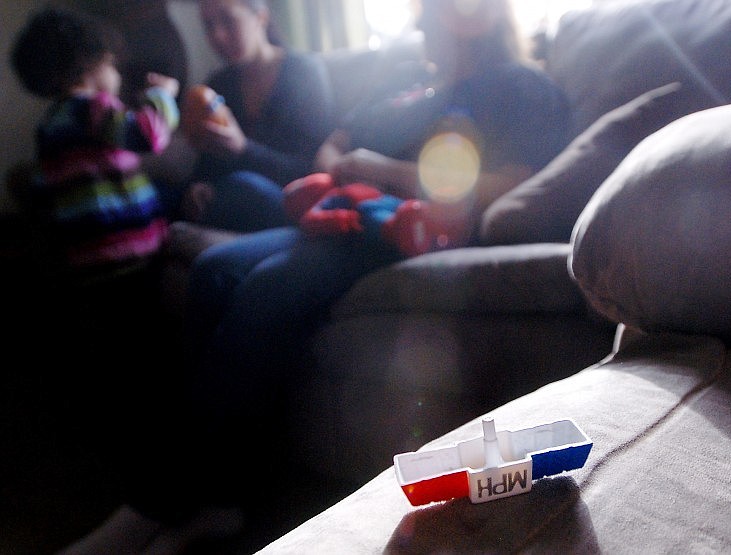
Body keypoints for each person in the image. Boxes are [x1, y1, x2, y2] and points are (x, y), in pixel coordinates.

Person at [59, 0, 571, 551]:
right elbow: (335, 142)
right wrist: (341, 162)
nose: (419, 23)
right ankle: (224, 503)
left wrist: (381, 170)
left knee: (264, 288)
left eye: (431, 11)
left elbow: (514, 184)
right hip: (341, 212)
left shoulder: (517, 85)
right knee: (214, 268)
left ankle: (158, 504)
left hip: (406, 228)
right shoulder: (409, 85)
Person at [10, 6, 180, 283]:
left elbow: (44, 191)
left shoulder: (49, 124)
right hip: (130, 250)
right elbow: (151, 137)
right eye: (112, 65)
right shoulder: (94, 108)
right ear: (88, 65)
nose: (117, 74)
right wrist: (163, 95)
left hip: (84, 258)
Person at [174, 0, 335, 233]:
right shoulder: (219, 85)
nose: (217, 35)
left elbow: (312, 168)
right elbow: (208, 159)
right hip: (235, 197)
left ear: (261, 17)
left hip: (290, 198)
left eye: (229, 20)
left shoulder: (304, 73)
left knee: (243, 186)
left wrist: (242, 148)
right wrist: (199, 184)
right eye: (208, 26)